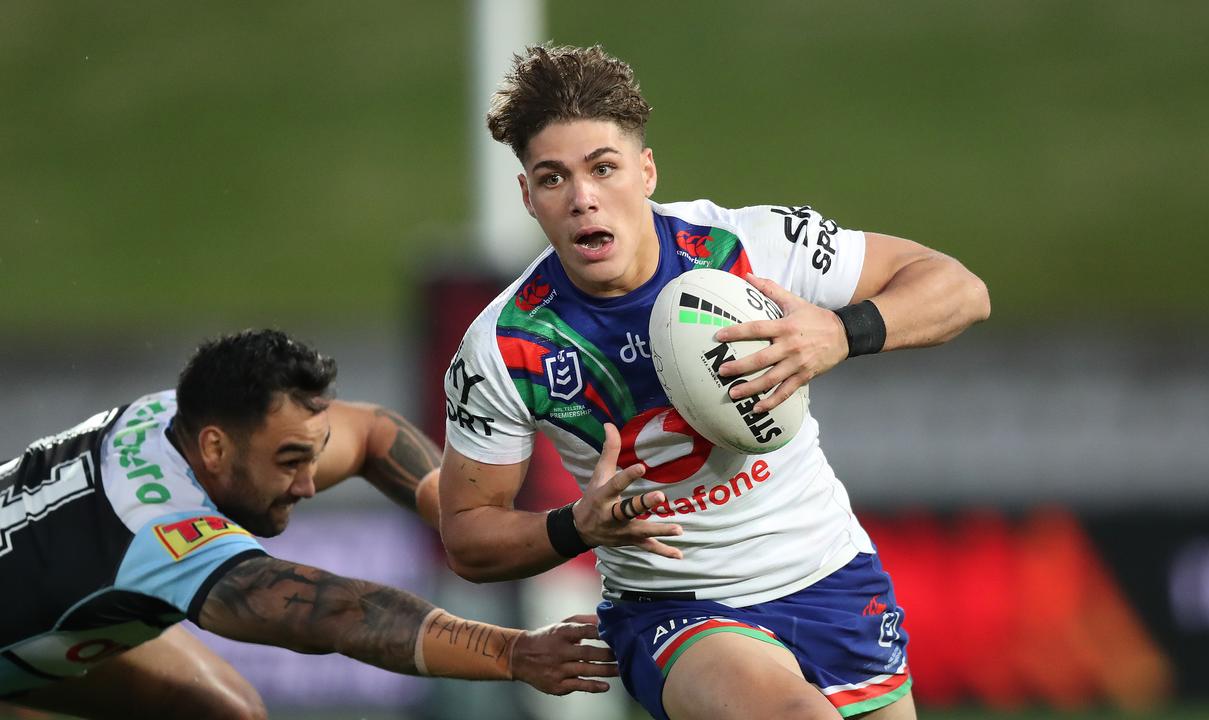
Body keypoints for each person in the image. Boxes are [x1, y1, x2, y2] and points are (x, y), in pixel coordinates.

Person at [436, 44, 991, 720]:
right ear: (527, 195)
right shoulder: (503, 344)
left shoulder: (748, 246)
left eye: (603, 169)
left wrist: (842, 332)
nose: (583, 199)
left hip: (831, 576)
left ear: (645, 171)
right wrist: (576, 527)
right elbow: (467, 533)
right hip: (677, 611)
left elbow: (960, 290)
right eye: (553, 179)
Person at [1, 329, 615, 719]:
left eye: (312, 454)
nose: (308, 484)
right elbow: (345, 615)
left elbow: (373, 434)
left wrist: (460, 520)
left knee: (224, 711)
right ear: (214, 449)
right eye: (289, 461)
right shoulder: (160, 534)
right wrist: (513, 652)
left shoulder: (187, 420)